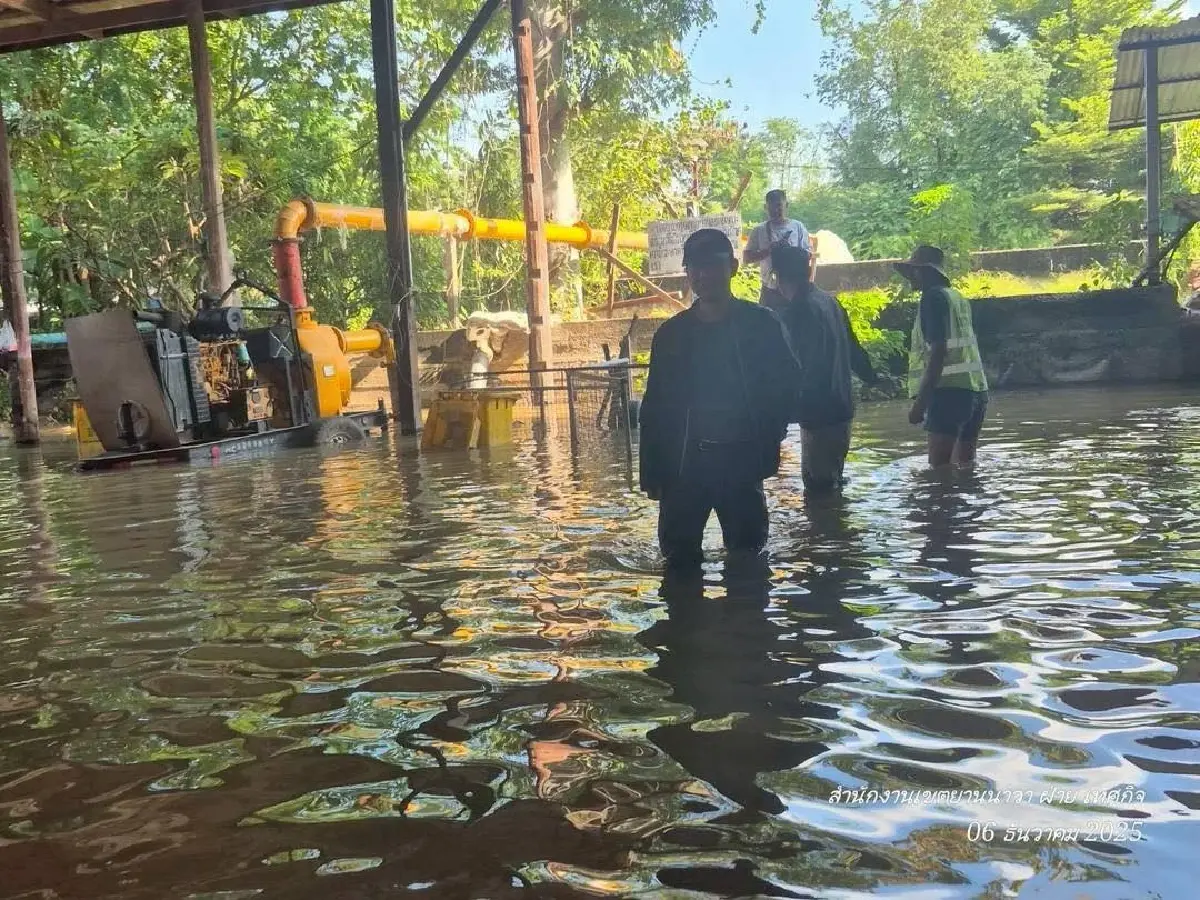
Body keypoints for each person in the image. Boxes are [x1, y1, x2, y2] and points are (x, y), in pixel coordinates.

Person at [639, 228, 802, 568]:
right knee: (678, 566)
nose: (702, 275)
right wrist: (652, 474)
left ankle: (744, 620)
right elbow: (654, 409)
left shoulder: (761, 325)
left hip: (741, 465)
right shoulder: (671, 335)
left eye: (711, 265)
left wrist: (770, 438)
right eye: (693, 267)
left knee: (749, 563)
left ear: (732, 267)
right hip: (683, 469)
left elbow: (787, 385)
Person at [764, 244, 877, 493]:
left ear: (779, 278)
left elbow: (796, 369)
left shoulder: (796, 312)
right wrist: (874, 379)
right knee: (833, 483)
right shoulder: (829, 301)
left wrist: (780, 417)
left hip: (819, 414)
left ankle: (826, 532)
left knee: (819, 493)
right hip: (843, 408)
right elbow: (856, 351)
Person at [895, 245, 989, 468]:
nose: (911, 277)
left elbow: (938, 353)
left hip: (948, 395)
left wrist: (920, 404)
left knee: (939, 473)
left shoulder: (932, 298)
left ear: (925, 272)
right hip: (976, 392)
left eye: (914, 271)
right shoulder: (956, 297)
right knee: (966, 467)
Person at [743, 189, 812, 302]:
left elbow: (807, 255)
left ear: (787, 205)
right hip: (769, 290)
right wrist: (768, 251)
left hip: (794, 290)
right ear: (766, 207)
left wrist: (789, 251)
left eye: (779, 205)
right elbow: (746, 259)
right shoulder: (759, 230)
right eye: (771, 207)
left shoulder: (798, 227)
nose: (775, 210)